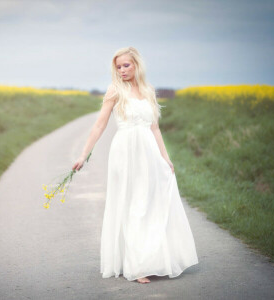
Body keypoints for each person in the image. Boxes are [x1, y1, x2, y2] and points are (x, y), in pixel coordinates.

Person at [72, 46, 199, 284]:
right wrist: (83, 154)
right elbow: (99, 125)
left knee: (150, 202)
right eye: (118, 66)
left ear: (137, 65)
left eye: (126, 65)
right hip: (125, 153)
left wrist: (165, 157)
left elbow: (155, 128)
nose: (122, 70)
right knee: (133, 204)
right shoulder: (114, 91)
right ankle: (137, 266)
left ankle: (153, 258)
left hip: (149, 152)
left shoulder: (149, 91)